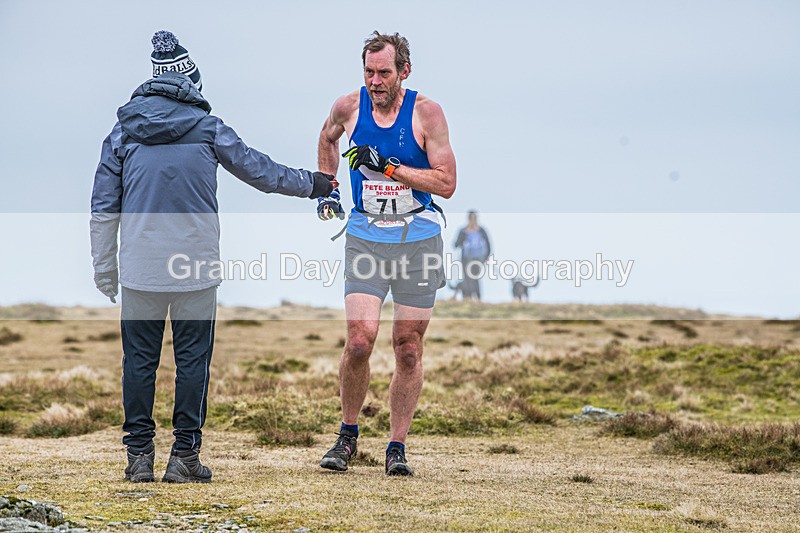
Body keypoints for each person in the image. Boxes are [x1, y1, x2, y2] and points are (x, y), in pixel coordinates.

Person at [90, 30, 335, 484]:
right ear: (190, 81)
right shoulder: (207, 128)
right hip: (196, 270)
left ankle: (139, 458)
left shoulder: (122, 132)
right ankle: (184, 456)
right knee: (193, 363)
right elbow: (260, 171)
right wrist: (314, 183)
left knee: (138, 364)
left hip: (140, 270)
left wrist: (105, 268)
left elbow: (104, 207)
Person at [316, 31, 456, 476]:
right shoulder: (349, 107)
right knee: (359, 341)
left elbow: (447, 184)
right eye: (369, 72)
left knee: (408, 348)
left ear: (404, 72)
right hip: (365, 234)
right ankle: (347, 435)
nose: (376, 81)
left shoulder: (427, 114)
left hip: (418, 237)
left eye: (384, 73)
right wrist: (328, 187)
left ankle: (396, 446)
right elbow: (327, 138)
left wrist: (391, 169)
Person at [453, 210, 492, 301]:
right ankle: (476, 298)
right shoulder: (479, 230)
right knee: (474, 278)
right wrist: (486, 257)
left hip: (470, 259)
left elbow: (456, 244)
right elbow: (488, 245)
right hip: (476, 259)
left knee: (469, 278)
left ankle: (469, 298)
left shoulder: (465, 231)